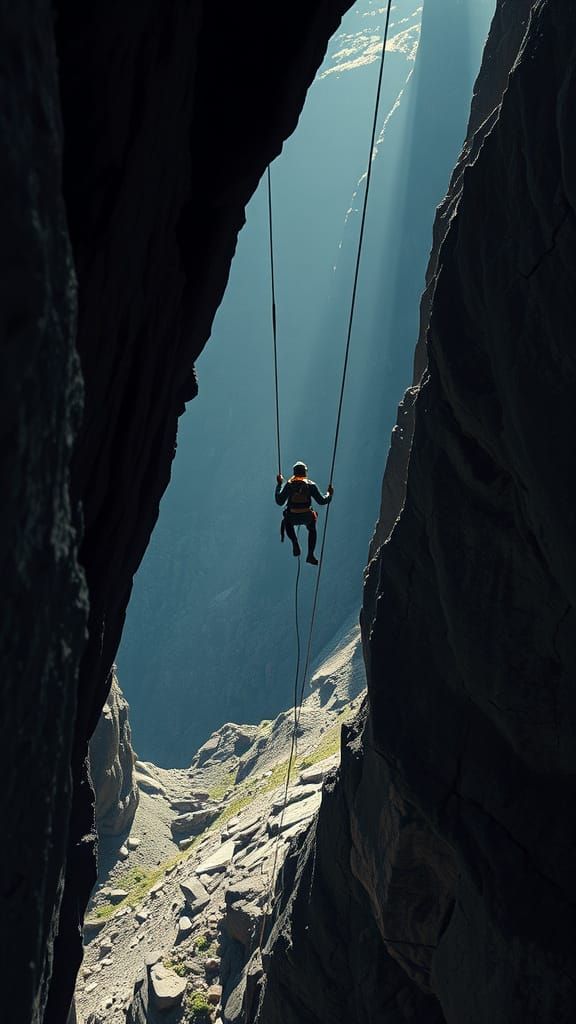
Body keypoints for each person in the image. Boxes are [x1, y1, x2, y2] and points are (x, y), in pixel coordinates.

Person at [275, 461, 334, 565]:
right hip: (307, 516)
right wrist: (330, 494)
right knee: (312, 529)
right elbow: (322, 501)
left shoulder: (289, 485)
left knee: (286, 521)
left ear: (294, 473)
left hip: (292, 516)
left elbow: (279, 501)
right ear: (305, 472)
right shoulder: (310, 485)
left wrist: (279, 484)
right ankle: (310, 554)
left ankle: (294, 542)